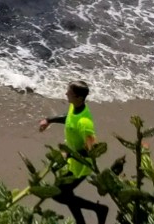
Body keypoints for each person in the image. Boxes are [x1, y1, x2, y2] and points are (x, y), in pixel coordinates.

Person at [38, 81, 109, 224]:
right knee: (66, 193)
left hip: (82, 167)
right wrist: (49, 120)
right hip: (72, 163)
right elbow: (69, 118)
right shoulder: (75, 107)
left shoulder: (84, 122)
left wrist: (68, 154)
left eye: (69, 93)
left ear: (78, 97)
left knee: (58, 194)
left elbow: (91, 148)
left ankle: (99, 209)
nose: (66, 94)